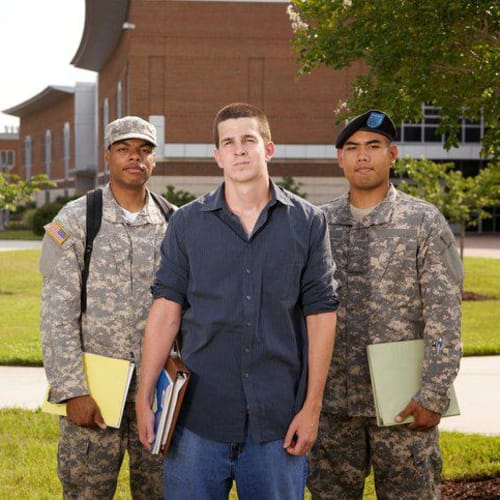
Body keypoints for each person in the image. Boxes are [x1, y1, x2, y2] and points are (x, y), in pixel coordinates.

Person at [136, 102, 339, 499]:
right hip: (198, 421)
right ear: (217, 156)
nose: (240, 149)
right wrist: (145, 396)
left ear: (269, 148)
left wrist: (311, 408)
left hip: (278, 424)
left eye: (249, 139)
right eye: (228, 142)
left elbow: (321, 316)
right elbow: (165, 313)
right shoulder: (187, 224)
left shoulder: (308, 223)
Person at [308, 110, 463, 499]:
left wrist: (433, 394)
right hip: (332, 408)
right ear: (340, 158)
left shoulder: (422, 222)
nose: (363, 156)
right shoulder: (317, 225)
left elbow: (444, 317)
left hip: (403, 406)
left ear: (392, 154)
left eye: (373, 146)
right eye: (353, 148)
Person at [39, 116, 171, 499]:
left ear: (154, 160)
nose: (135, 158)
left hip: (156, 394)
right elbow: (56, 313)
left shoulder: (173, 221)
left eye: (145, 150)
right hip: (95, 393)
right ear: (107, 157)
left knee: (159, 491)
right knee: (87, 492)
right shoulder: (77, 219)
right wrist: (71, 390)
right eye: (124, 149)